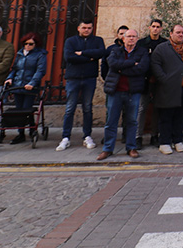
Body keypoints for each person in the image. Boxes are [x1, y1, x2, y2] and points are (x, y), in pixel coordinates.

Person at [151, 25, 183, 155]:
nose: (180, 35)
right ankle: (164, 142)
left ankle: (177, 140)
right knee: (166, 117)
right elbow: (155, 65)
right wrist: (164, 79)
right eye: (178, 32)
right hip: (167, 90)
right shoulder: (161, 48)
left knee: (181, 117)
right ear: (171, 33)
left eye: (182, 33)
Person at [99, 29, 149, 160]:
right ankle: (107, 149)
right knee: (111, 121)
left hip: (133, 91)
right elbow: (113, 65)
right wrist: (132, 63)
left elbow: (142, 69)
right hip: (116, 91)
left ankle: (131, 147)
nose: (131, 39)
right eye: (129, 36)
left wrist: (122, 69)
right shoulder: (115, 51)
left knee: (132, 121)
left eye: (134, 36)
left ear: (137, 39)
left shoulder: (142, 52)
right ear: (123, 39)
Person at [58, 18, 105, 151]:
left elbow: (101, 53)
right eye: (84, 28)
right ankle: (66, 137)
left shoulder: (97, 40)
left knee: (88, 107)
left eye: (89, 28)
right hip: (73, 78)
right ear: (79, 28)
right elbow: (69, 57)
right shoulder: (71, 41)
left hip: (90, 78)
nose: (87, 30)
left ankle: (87, 135)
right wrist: (90, 58)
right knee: (70, 108)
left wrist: (82, 53)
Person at [4, 32, 47, 144]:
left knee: (26, 109)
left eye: (31, 44)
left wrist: (32, 83)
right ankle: (21, 133)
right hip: (18, 84)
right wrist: (10, 78)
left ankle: (31, 130)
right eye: (26, 43)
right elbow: (15, 68)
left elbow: (40, 70)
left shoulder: (40, 55)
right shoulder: (19, 54)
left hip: (29, 86)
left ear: (36, 44)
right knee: (19, 109)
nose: (28, 46)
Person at [136, 19, 167, 149]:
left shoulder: (165, 43)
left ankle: (155, 135)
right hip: (144, 80)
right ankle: (138, 137)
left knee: (156, 109)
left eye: (158, 27)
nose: (155, 29)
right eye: (153, 26)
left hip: (159, 81)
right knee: (142, 108)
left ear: (161, 29)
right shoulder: (142, 43)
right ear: (149, 28)